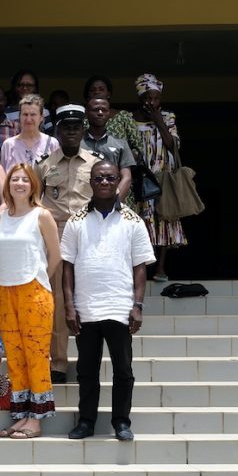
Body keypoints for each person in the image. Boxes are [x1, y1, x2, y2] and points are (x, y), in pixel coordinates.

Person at [61, 161, 155, 441]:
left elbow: (140, 266)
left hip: (120, 306)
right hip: (86, 308)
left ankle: (121, 422)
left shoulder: (133, 220)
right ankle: (86, 422)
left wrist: (137, 306)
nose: (104, 182)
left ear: (118, 182)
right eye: (99, 177)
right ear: (91, 181)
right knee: (87, 370)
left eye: (109, 177)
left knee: (123, 370)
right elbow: (67, 266)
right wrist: (69, 305)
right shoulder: (76, 220)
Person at [35, 104, 102, 384]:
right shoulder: (44, 165)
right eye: (66, 127)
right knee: (60, 303)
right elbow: (35, 203)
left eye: (76, 126)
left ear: (83, 129)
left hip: (90, 235)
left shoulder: (97, 163)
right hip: (57, 236)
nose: (72, 131)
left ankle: (90, 362)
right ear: (57, 131)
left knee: (89, 302)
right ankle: (59, 364)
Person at [0, 163, 60, 439]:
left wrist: (40, 278)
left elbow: (56, 255)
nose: (19, 184)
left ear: (33, 184)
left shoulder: (41, 215)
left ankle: (37, 417)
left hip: (34, 290)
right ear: (7, 184)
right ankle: (20, 415)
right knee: (15, 357)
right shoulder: (1, 214)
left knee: (36, 356)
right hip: (5, 290)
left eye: (24, 180)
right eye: (14, 180)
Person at [131, 73, 187, 281]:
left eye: (155, 98)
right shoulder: (130, 119)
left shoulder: (168, 117)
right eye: (147, 98)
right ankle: (142, 268)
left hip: (164, 176)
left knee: (164, 217)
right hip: (141, 178)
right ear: (140, 99)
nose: (151, 102)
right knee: (141, 221)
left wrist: (158, 120)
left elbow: (173, 145)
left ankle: (161, 268)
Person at [82, 97, 135, 201]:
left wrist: (114, 203)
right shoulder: (77, 144)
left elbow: (127, 177)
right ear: (87, 113)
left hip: (112, 204)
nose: (100, 113)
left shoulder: (121, 144)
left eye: (104, 110)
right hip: (82, 202)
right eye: (95, 110)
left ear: (109, 114)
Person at [82, 74, 141, 153]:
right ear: (87, 96)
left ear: (108, 94)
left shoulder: (123, 116)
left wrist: (124, 162)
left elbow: (137, 146)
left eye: (101, 89)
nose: (97, 92)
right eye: (92, 90)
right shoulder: (81, 118)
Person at [1, 94, 59, 172]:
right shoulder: (8, 145)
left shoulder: (52, 143)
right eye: (25, 114)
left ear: (41, 117)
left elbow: (56, 175)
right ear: (19, 116)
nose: (28, 119)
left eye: (33, 115)